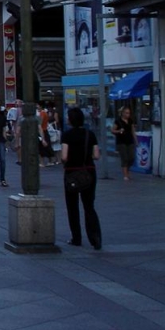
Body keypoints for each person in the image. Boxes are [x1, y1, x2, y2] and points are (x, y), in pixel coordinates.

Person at [61, 107, 102, 250]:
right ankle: (95, 238)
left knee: (72, 207)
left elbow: (64, 156)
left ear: (70, 120)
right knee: (89, 206)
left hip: (72, 173)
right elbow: (96, 155)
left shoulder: (67, 135)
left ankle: (76, 238)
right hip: (88, 172)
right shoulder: (90, 134)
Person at [111, 106, 136, 181]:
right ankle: (125, 175)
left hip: (130, 141)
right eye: (126, 113)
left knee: (131, 157)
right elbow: (113, 130)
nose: (128, 115)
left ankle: (127, 170)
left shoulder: (130, 121)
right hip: (121, 142)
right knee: (124, 158)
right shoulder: (118, 121)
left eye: (129, 113)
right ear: (122, 113)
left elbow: (133, 131)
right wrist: (119, 131)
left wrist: (136, 140)